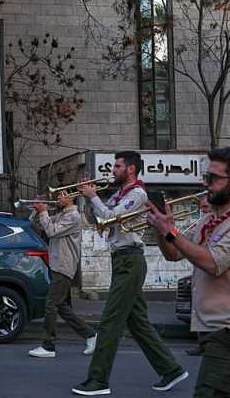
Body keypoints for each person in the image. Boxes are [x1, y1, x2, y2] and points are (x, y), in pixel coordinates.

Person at [147, 147, 230, 397]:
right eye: (206, 177)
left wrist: (171, 231)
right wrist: (161, 228)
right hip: (216, 331)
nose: (206, 184)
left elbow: (213, 263)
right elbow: (174, 253)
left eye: (213, 178)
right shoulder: (209, 221)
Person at [72, 151, 187, 396]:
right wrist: (88, 197)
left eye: (117, 166)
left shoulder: (137, 194)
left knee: (110, 321)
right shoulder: (120, 194)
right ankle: (171, 370)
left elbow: (112, 217)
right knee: (138, 323)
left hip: (130, 261)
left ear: (131, 169)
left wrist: (93, 196)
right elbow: (99, 218)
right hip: (122, 260)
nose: (113, 170)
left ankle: (98, 380)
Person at [28, 191, 97, 358]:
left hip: (64, 266)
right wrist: (37, 211)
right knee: (61, 306)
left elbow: (51, 231)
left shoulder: (73, 216)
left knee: (51, 304)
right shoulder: (62, 215)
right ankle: (90, 334)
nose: (58, 198)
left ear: (71, 198)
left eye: (62, 195)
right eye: (58, 195)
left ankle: (48, 346)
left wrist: (44, 211)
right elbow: (37, 226)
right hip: (57, 265)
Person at [184, 196, 211, 357]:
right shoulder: (200, 224)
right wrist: (167, 230)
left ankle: (209, 344)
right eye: (202, 208)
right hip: (200, 270)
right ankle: (202, 343)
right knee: (199, 306)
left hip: (213, 270)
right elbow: (180, 240)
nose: (203, 210)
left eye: (206, 207)